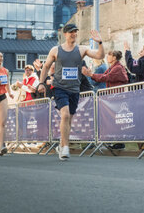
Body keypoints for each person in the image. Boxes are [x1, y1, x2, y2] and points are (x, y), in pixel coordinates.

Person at [39, 23, 104, 161]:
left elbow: (99, 55)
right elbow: (46, 67)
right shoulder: (55, 50)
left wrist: (100, 42)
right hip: (59, 87)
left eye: (75, 32)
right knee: (66, 115)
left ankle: (61, 146)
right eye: (71, 32)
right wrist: (41, 83)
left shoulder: (81, 49)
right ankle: (66, 147)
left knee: (69, 120)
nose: (74, 34)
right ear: (65, 34)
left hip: (74, 89)